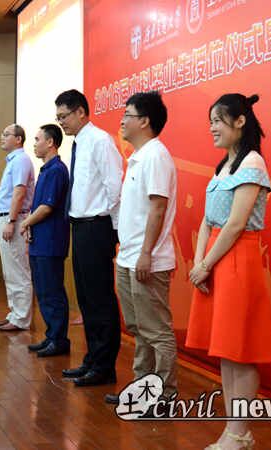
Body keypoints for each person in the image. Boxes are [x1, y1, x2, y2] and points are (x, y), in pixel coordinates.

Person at [186, 94, 271, 450]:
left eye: (218, 120)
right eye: (210, 121)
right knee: (226, 349)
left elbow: (237, 223)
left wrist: (205, 264)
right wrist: (200, 262)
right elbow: (207, 222)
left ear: (240, 121)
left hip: (237, 259)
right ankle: (234, 431)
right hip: (216, 259)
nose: (212, 128)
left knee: (241, 350)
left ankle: (239, 433)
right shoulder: (223, 165)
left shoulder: (252, 161)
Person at [104, 92, 178, 404]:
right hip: (129, 257)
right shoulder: (138, 157)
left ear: (145, 121)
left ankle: (165, 395)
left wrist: (146, 253)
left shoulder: (156, 156)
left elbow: (158, 208)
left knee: (157, 331)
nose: (122, 121)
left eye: (128, 115)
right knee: (139, 328)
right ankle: (142, 390)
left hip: (148, 259)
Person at [55, 89, 123, 386]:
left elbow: (114, 187)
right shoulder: (79, 143)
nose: (61, 123)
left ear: (81, 112)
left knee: (100, 298)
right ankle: (92, 359)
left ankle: (105, 366)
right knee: (85, 297)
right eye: (58, 117)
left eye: (64, 116)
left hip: (97, 226)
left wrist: (114, 230)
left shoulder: (100, 141)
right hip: (81, 226)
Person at [20, 124, 70, 357]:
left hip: (51, 241)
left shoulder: (57, 170)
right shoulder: (45, 170)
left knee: (52, 291)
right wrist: (30, 225)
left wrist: (25, 223)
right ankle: (52, 336)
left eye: (37, 139)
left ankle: (59, 340)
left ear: (50, 142)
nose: (34, 144)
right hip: (40, 241)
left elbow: (47, 207)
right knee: (43, 291)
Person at [0, 123, 35, 331]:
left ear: (18, 139)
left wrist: (10, 221)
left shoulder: (21, 160)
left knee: (18, 271)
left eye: (6, 134)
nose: (2, 137)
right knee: (10, 272)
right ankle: (15, 313)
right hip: (7, 218)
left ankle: (21, 318)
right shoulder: (13, 160)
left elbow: (19, 192)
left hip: (14, 220)